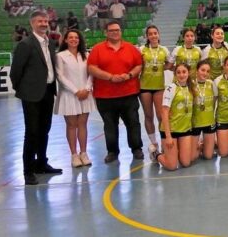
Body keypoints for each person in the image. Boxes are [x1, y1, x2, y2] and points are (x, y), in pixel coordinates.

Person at [10, 10, 62, 185]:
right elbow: (15, 71)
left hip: (48, 91)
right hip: (31, 94)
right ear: (32, 23)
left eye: (46, 21)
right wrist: (23, 89)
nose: (44, 24)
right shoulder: (26, 44)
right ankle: (28, 171)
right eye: (40, 21)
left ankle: (41, 163)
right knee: (31, 132)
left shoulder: (50, 43)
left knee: (44, 130)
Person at [87, 21, 144, 163]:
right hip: (105, 96)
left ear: (121, 31)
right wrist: (110, 77)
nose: (115, 32)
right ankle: (112, 151)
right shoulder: (97, 49)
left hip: (129, 93)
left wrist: (129, 75)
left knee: (133, 123)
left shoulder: (130, 48)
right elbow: (91, 68)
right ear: (106, 32)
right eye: (111, 30)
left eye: (117, 30)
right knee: (109, 126)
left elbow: (139, 65)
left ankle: (137, 148)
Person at [53, 30, 96, 168]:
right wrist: (76, 91)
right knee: (72, 125)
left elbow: (91, 74)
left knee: (83, 124)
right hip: (69, 95)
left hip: (85, 94)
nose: (73, 39)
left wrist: (87, 89)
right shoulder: (60, 56)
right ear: (65, 40)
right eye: (70, 37)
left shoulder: (86, 55)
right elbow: (60, 76)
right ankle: (74, 155)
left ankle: (84, 153)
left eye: (76, 37)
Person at [152, 63, 196, 170]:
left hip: (185, 129)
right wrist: (168, 136)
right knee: (171, 166)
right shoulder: (171, 88)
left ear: (188, 73)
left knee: (186, 163)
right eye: (178, 72)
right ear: (175, 74)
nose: (181, 75)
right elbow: (164, 111)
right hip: (171, 131)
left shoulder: (191, 88)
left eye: (184, 72)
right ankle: (155, 153)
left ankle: (176, 153)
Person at [139, 25, 171, 155]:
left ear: (159, 34)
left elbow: (170, 63)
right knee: (148, 116)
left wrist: (161, 68)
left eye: (155, 33)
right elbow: (137, 65)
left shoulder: (164, 50)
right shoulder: (141, 50)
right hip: (145, 87)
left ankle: (163, 141)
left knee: (161, 116)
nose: (153, 36)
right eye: (150, 34)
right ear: (147, 36)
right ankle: (153, 143)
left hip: (159, 87)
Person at [191, 60, 218, 160]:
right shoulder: (191, 84)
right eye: (202, 70)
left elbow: (214, 101)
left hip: (209, 122)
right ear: (197, 70)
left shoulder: (211, 84)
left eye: (207, 71)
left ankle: (204, 146)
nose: (205, 73)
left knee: (208, 156)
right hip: (195, 123)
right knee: (192, 157)